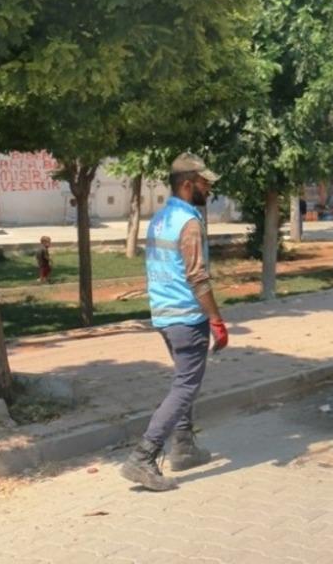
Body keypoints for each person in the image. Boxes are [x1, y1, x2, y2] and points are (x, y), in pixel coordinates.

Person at [120, 153, 229, 492]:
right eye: (203, 183)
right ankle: (143, 456)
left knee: (184, 382)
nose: (208, 189)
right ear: (187, 185)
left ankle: (183, 448)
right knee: (185, 387)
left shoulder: (161, 218)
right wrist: (216, 319)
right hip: (187, 315)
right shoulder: (190, 223)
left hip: (164, 314)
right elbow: (198, 277)